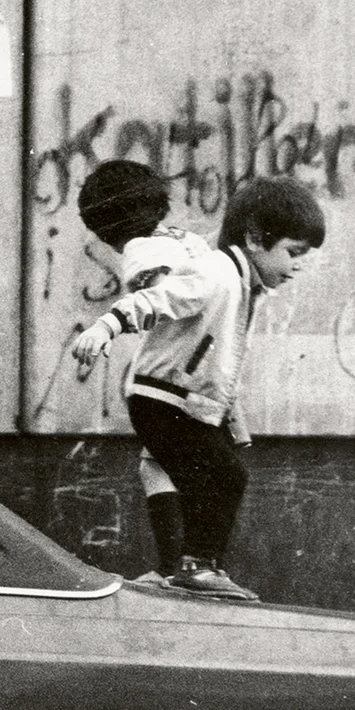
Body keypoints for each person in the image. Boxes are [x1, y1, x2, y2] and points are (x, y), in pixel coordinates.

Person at [72, 176, 326, 600]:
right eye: (293, 252)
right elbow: (157, 299)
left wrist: (230, 414)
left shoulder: (240, 282)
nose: (298, 266)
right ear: (255, 239)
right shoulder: (217, 274)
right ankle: (198, 567)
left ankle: (178, 567)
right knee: (224, 476)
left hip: (181, 399)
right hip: (164, 399)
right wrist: (105, 327)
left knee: (184, 471)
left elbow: (219, 360)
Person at [75, 160, 211, 584]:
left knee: (161, 465)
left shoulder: (140, 250)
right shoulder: (187, 239)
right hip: (204, 373)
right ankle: (193, 565)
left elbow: (160, 294)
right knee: (168, 465)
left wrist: (109, 324)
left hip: (171, 378)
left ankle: (179, 567)